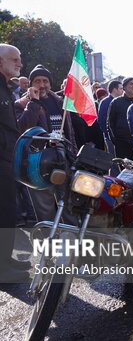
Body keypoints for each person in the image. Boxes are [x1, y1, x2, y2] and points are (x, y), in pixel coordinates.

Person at [15, 65, 77, 222]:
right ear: (31, 83)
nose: (42, 85)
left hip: (63, 158)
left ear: (50, 83)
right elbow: (22, 129)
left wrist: (74, 156)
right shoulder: (21, 104)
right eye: (37, 81)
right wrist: (33, 103)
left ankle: (70, 239)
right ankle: (46, 242)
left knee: (68, 204)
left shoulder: (61, 102)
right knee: (44, 208)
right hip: (37, 162)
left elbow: (70, 133)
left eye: (45, 81)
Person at [0, 44, 30, 282]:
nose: (19, 64)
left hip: (8, 158)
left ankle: (5, 260)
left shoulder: (5, 88)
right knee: (4, 212)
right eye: (14, 59)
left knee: (8, 211)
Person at [107, 77, 133, 161]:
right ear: (124, 87)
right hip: (122, 144)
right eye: (131, 84)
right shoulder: (116, 102)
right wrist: (115, 141)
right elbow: (110, 123)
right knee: (125, 171)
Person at [98, 80, 123, 154]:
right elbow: (101, 120)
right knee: (114, 158)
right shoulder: (105, 102)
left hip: (121, 137)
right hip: (110, 138)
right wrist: (110, 135)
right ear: (115, 89)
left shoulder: (121, 101)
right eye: (121, 88)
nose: (123, 91)